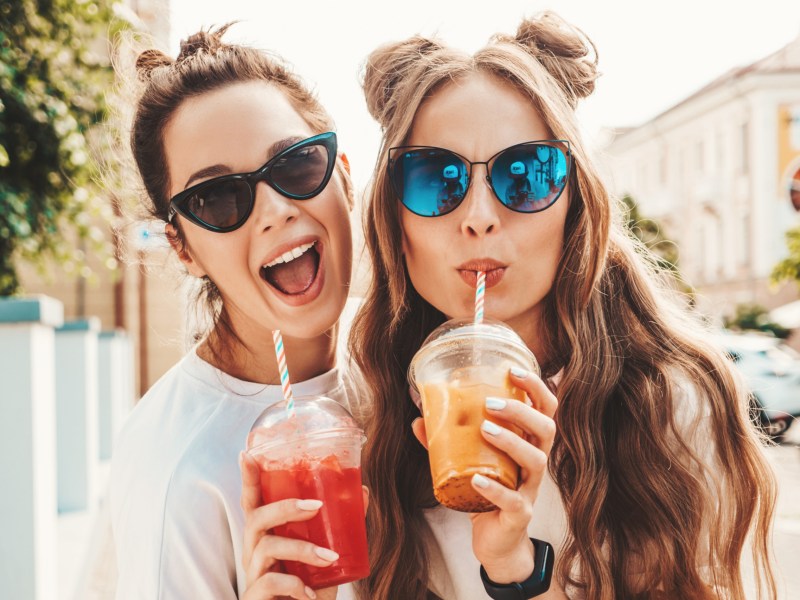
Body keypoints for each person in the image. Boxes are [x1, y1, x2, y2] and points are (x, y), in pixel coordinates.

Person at [349, 11, 778, 600]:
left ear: (576, 206)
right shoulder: (371, 412)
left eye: (526, 177)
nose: (479, 217)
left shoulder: (673, 405)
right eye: (434, 178)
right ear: (393, 221)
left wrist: (515, 570)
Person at [109, 25, 363, 600]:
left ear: (342, 176)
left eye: (296, 166)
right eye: (218, 198)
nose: (275, 210)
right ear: (183, 248)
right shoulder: (176, 468)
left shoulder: (412, 372)